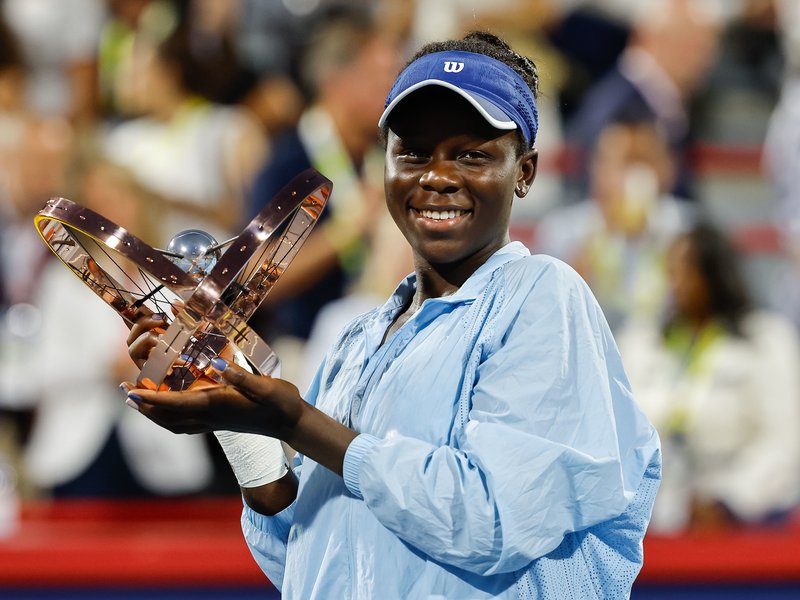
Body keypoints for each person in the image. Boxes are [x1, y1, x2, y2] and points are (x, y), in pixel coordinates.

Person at [123, 31, 661, 598]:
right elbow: (301, 557)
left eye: (472, 154)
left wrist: (295, 423)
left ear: (524, 171)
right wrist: (242, 421)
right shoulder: (358, 339)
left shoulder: (544, 296)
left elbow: (492, 520)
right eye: (412, 151)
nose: (436, 175)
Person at [617, 223, 800, 533]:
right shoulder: (644, 343)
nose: (676, 281)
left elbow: (784, 442)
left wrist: (728, 502)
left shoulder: (766, 339)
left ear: (715, 273)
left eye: (687, 269)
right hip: (658, 520)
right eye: (671, 269)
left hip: (747, 520)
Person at [536, 114, 696, 331]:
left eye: (643, 161)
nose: (633, 175)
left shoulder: (689, 230)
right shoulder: (563, 232)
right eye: (622, 162)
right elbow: (548, 316)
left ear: (668, 168)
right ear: (596, 168)